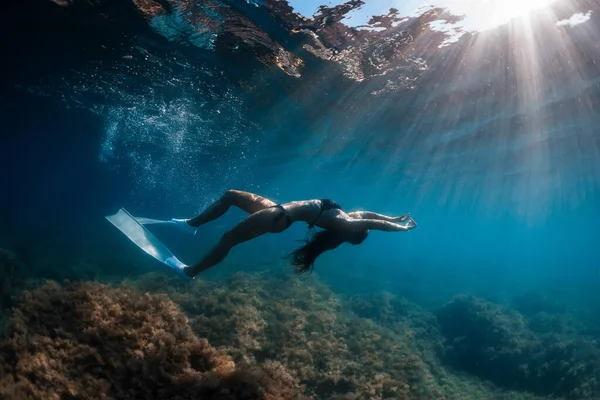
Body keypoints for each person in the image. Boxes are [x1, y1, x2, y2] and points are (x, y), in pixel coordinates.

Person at [171, 190, 417, 278]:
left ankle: (191, 271)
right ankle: (192, 224)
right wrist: (393, 217)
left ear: (356, 233)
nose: (363, 221)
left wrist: (401, 228)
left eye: (363, 226)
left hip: (278, 217)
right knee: (231, 196)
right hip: (277, 211)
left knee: (228, 239)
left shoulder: (347, 225)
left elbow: (373, 223)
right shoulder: (350, 218)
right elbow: (369, 214)